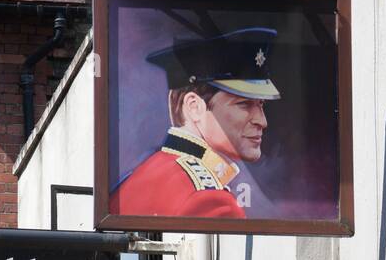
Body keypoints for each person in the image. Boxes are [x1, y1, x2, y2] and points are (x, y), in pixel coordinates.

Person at [109, 27, 281, 220]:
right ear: (194, 107)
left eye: (261, 105)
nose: (262, 121)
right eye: (244, 104)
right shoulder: (209, 201)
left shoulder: (134, 180)